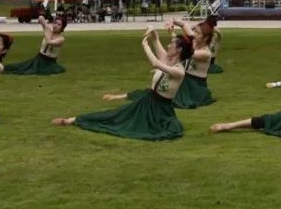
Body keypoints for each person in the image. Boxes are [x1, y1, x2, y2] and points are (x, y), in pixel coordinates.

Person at [51, 28, 190, 140]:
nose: (168, 45)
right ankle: (72, 120)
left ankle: (73, 120)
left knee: (125, 122)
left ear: (178, 50)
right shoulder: (168, 60)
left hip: (161, 111)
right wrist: (152, 30)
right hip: (147, 102)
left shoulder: (179, 71)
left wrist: (145, 46)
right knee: (115, 115)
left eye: (172, 44)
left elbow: (155, 63)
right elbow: (156, 39)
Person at [3, 16, 67, 75]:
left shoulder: (61, 39)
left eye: (59, 25)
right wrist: (43, 20)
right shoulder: (48, 30)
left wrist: (46, 30)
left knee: (46, 71)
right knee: (20, 67)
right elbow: (41, 18)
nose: (56, 25)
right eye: (55, 23)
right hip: (39, 58)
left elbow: (49, 42)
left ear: (62, 27)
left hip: (50, 62)